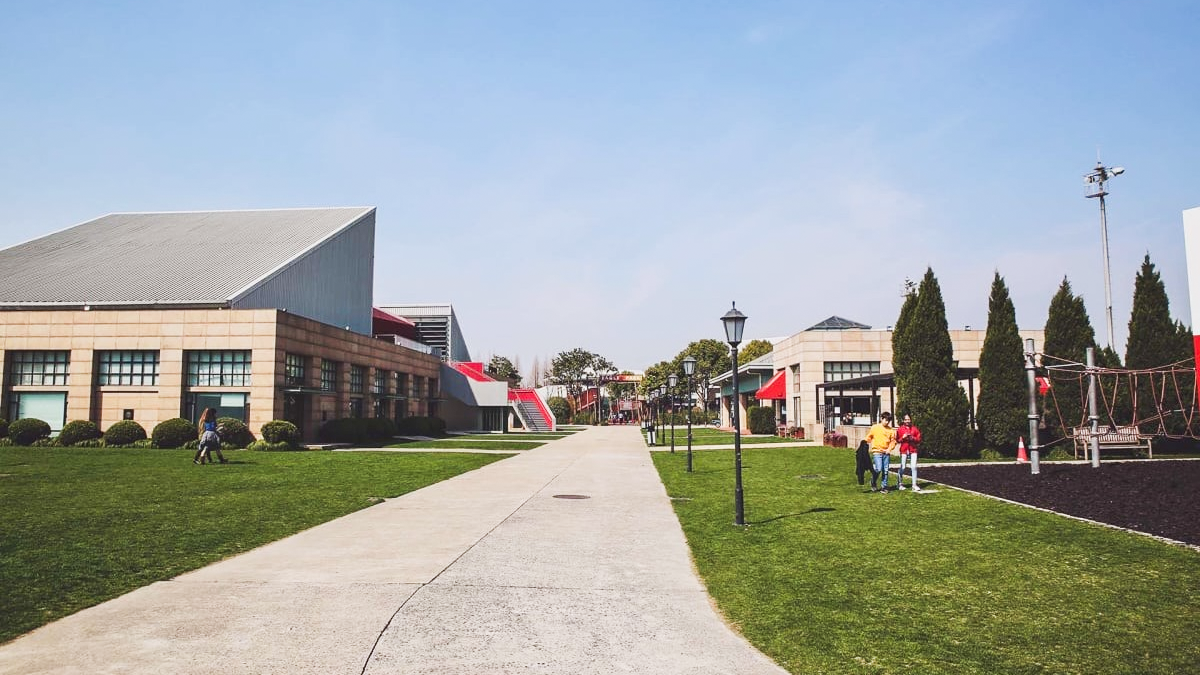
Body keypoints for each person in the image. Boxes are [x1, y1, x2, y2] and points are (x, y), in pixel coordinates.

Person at [864, 411, 897, 492]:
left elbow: (893, 442)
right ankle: (873, 481)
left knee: (885, 470)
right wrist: (864, 442)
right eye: (885, 420)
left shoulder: (891, 431)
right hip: (877, 451)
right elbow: (869, 437)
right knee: (879, 469)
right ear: (881, 419)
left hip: (886, 452)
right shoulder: (875, 428)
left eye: (888, 421)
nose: (887, 422)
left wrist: (889, 449)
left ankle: (884, 486)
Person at [896, 413, 923, 492]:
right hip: (904, 450)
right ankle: (899, 483)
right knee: (903, 467)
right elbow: (897, 440)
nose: (907, 421)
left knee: (913, 467)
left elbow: (919, 439)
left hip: (913, 450)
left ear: (910, 420)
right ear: (903, 420)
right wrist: (903, 437)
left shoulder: (915, 429)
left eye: (908, 419)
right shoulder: (900, 429)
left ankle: (914, 485)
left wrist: (912, 438)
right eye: (906, 419)